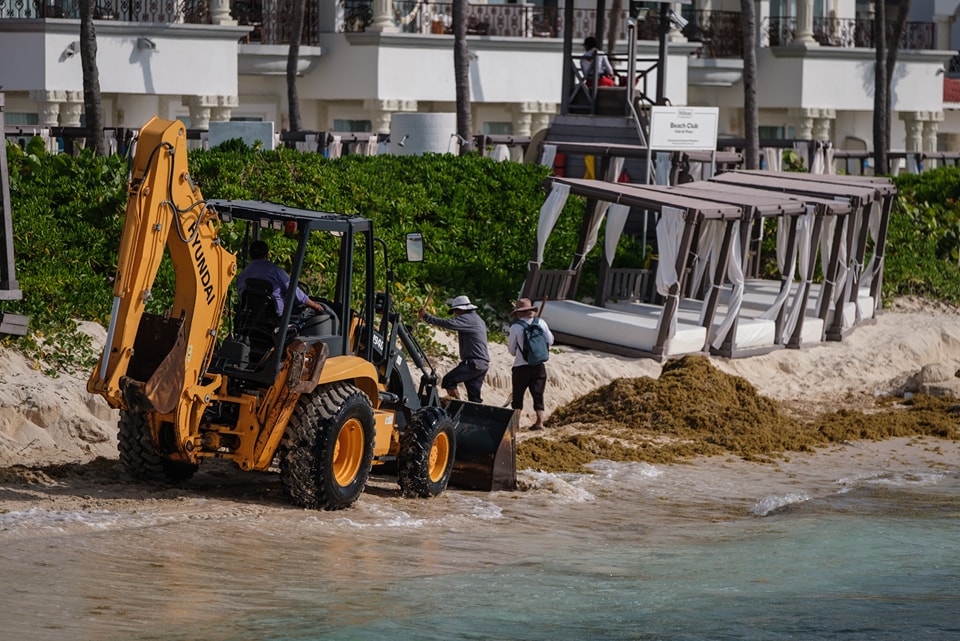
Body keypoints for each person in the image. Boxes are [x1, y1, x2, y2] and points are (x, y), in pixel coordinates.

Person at [418, 295, 490, 403]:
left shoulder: (468, 319)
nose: (455, 314)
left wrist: (426, 317)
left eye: (456, 311)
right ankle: (473, 412)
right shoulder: (477, 319)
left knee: (449, 381)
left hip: (473, 363)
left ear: (461, 310)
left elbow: (448, 323)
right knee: (474, 398)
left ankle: (455, 406)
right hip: (482, 364)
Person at [236, 239, 325, 315]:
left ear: (250, 255)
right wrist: (314, 305)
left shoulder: (243, 274)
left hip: (250, 317)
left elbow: (241, 295)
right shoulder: (275, 271)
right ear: (267, 254)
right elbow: (293, 291)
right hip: (276, 318)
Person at [508, 298, 555, 431]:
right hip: (539, 365)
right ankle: (540, 422)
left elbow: (511, 350)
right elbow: (550, 341)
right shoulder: (541, 322)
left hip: (521, 366)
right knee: (538, 394)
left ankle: (516, 425)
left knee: (518, 395)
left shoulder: (515, 327)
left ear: (518, 313)